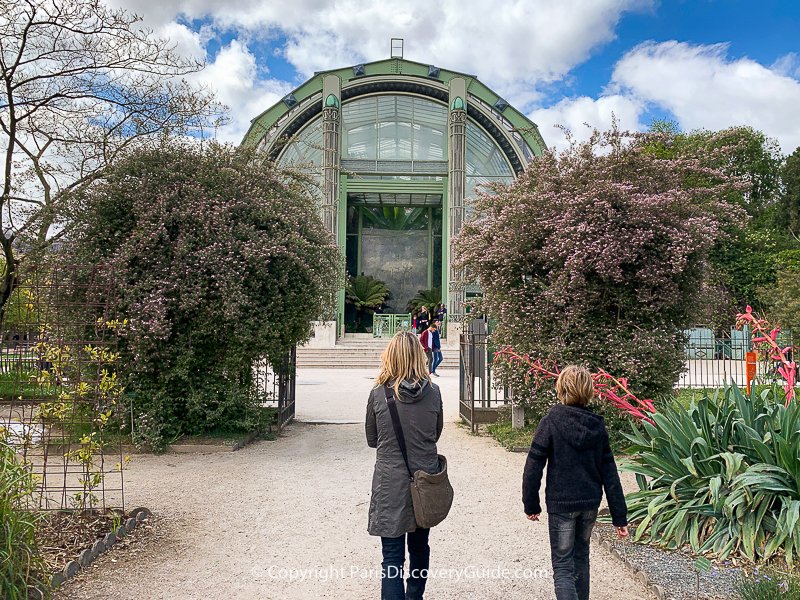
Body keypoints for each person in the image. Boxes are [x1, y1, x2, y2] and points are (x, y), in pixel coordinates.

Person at [522, 365, 629, 600]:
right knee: (581, 558)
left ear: (561, 389)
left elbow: (533, 465)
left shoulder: (551, 421)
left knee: (562, 565)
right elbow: (610, 472)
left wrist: (531, 504)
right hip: (589, 502)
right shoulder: (597, 426)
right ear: (588, 391)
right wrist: (619, 516)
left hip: (561, 503)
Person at [366, 331, 444, 600]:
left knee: (392, 558)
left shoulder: (378, 394)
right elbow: (436, 432)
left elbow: (372, 439)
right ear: (419, 357)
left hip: (390, 482)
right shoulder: (433, 393)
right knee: (420, 547)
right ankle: (415, 596)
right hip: (424, 480)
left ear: (389, 357)